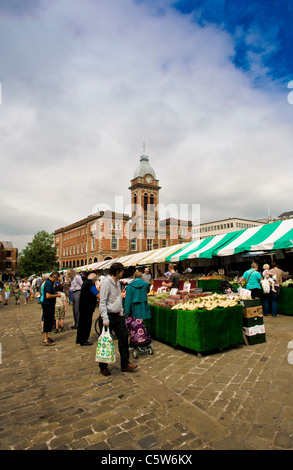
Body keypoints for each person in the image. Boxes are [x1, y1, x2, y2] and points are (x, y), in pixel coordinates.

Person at [98, 262, 137, 376]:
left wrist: (121, 311)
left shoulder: (117, 283)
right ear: (117, 271)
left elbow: (118, 297)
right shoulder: (106, 282)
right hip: (108, 316)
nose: (123, 273)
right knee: (106, 342)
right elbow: (103, 301)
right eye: (122, 271)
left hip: (118, 316)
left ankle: (125, 363)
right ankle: (103, 366)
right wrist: (105, 318)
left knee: (124, 337)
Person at [76, 273, 100, 346]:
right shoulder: (90, 285)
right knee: (86, 324)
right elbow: (97, 294)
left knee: (81, 323)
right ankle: (84, 340)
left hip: (82, 306)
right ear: (94, 279)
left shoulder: (85, 283)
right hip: (87, 307)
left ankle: (79, 339)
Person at [42, 271, 62, 346]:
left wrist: (55, 293)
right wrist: (57, 296)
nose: (56, 281)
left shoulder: (49, 283)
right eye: (56, 279)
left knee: (49, 321)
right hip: (48, 304)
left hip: (50, 304)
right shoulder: (48, 283)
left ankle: (46, 337)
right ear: (54, 277)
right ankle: (45, 339)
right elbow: (48, 296)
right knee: (47, 321)